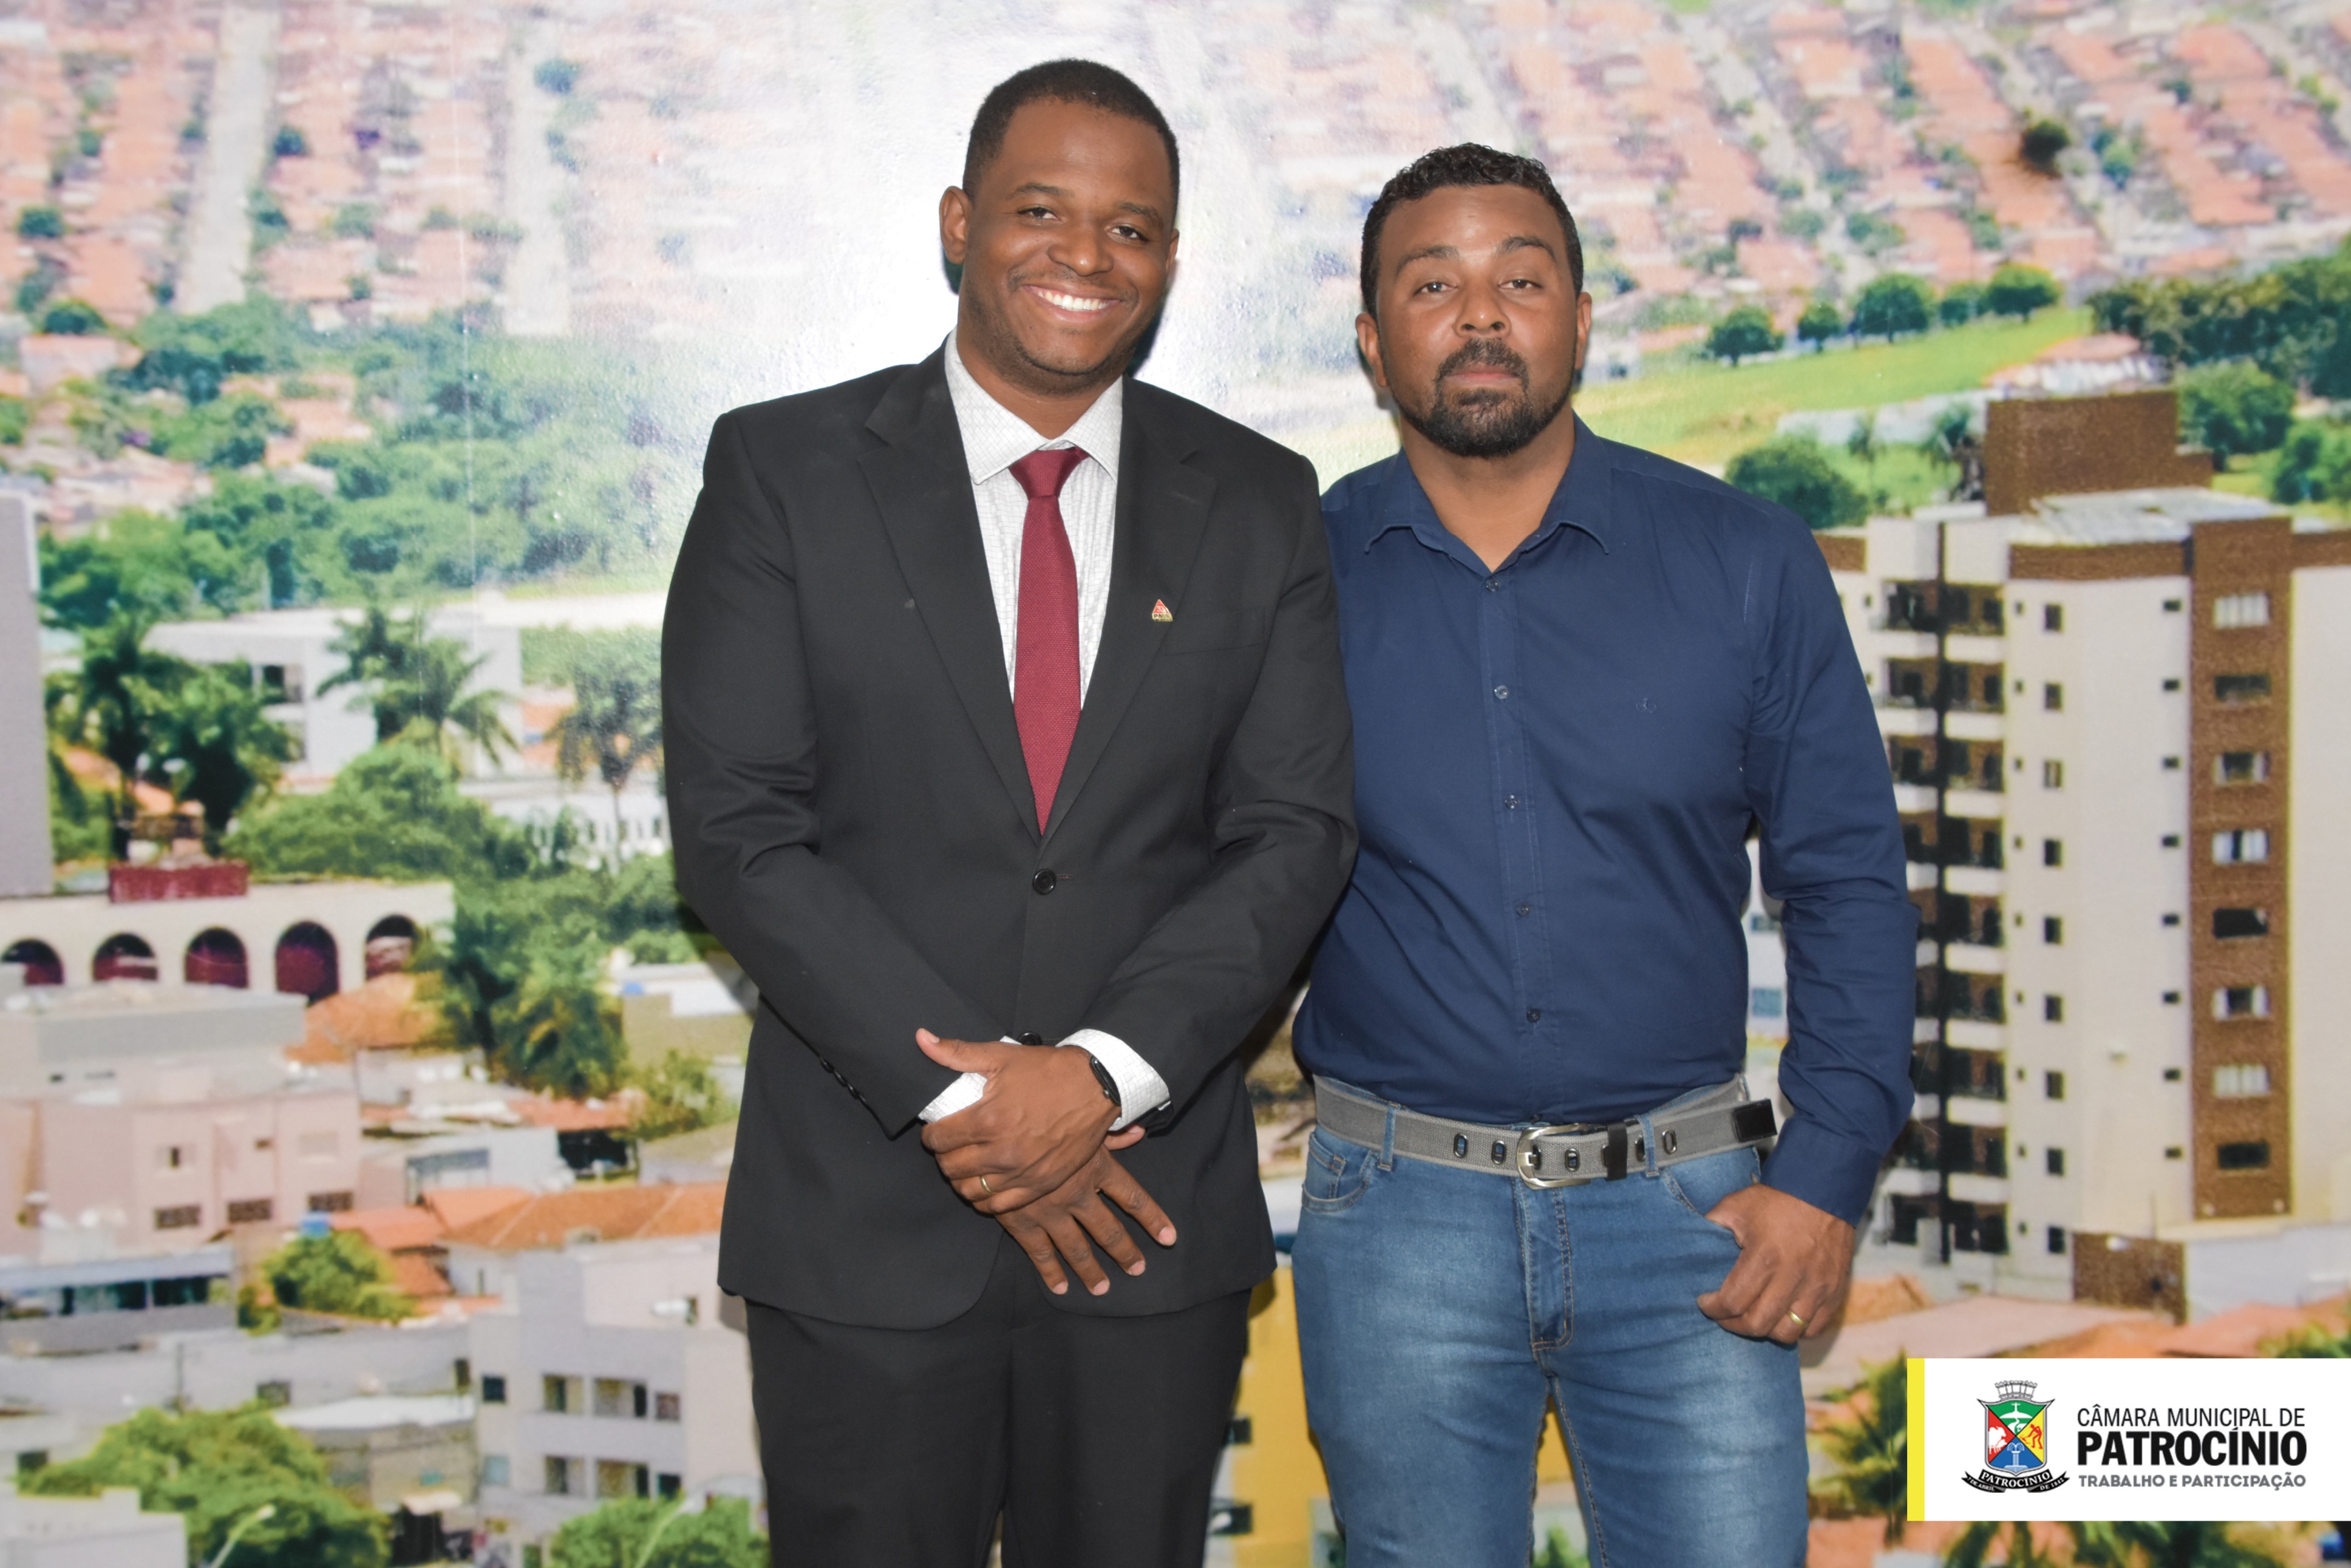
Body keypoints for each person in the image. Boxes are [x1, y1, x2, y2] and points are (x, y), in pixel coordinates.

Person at [661, 58, 1355, 1568]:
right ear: (958, 222)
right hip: (862, 1219)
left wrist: (1097, 1078)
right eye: (1042, 210)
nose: (1085, 254)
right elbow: (738, 828)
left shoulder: (1260, 498)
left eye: (1131, 227)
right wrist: (980, 1109)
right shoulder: (782, 469)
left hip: (1142, 1216)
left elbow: (1292, 830)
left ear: (1170, 259)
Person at [1290, 144, 1916, 1568]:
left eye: (1520, 280)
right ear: (1373, 339)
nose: (1480, 314)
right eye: (1432, 285)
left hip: (1698, 1219)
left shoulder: (1745, 558)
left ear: (1579, 319)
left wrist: (1825, 1174)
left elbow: (1844, 882)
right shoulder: (1291, 578)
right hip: (1396, 1220)